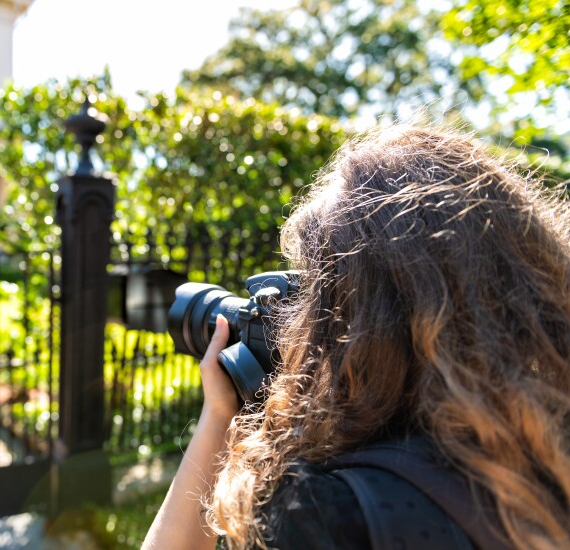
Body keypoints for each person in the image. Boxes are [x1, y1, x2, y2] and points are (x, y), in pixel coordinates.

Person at [143, 126, 570, 550]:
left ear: (356, 321)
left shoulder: (328, 512)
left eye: (318, 294)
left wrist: (220, 416)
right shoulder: (546, 451)